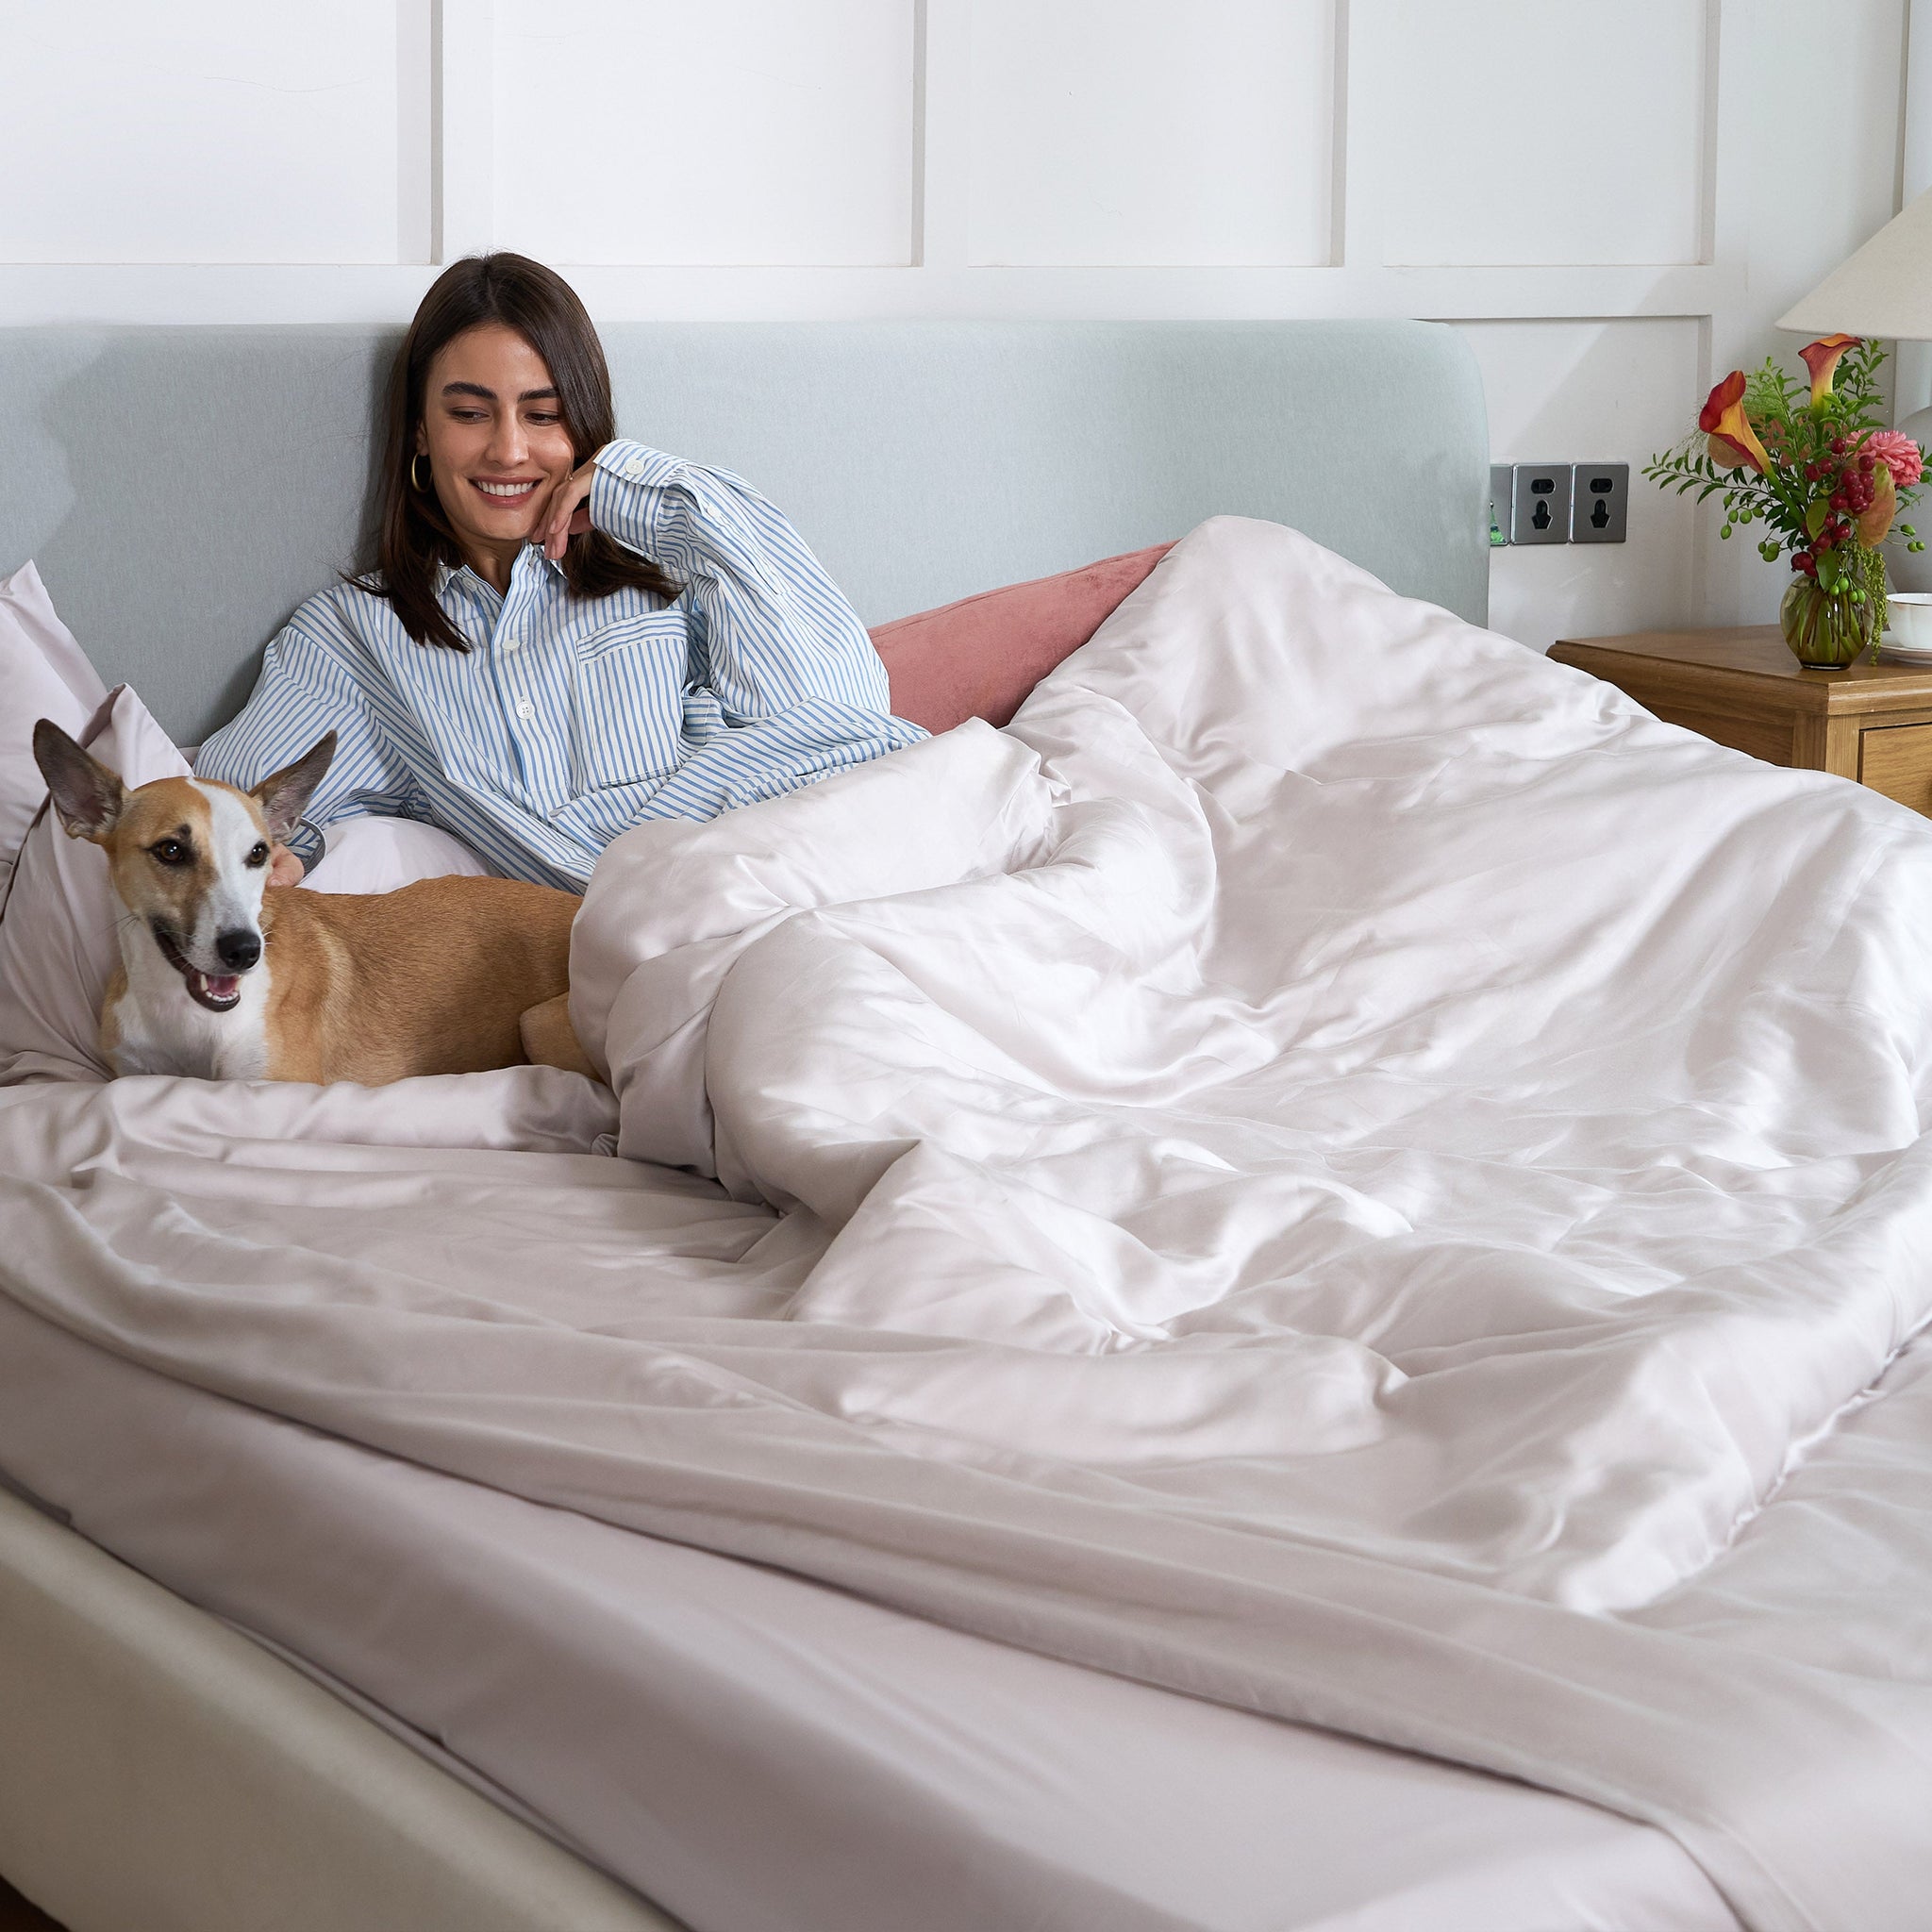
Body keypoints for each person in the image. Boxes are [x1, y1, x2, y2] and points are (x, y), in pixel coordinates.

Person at [196, 253, 925, 891]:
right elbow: (222, 815)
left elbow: (842, 718)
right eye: (471, 414)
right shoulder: (353, 638)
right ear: (420, 430)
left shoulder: (670, 580)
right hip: (644, 928)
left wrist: (649, 497)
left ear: (582, 428)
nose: (510, 451)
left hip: (795, 873)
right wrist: (295, 850)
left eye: (543, 416)